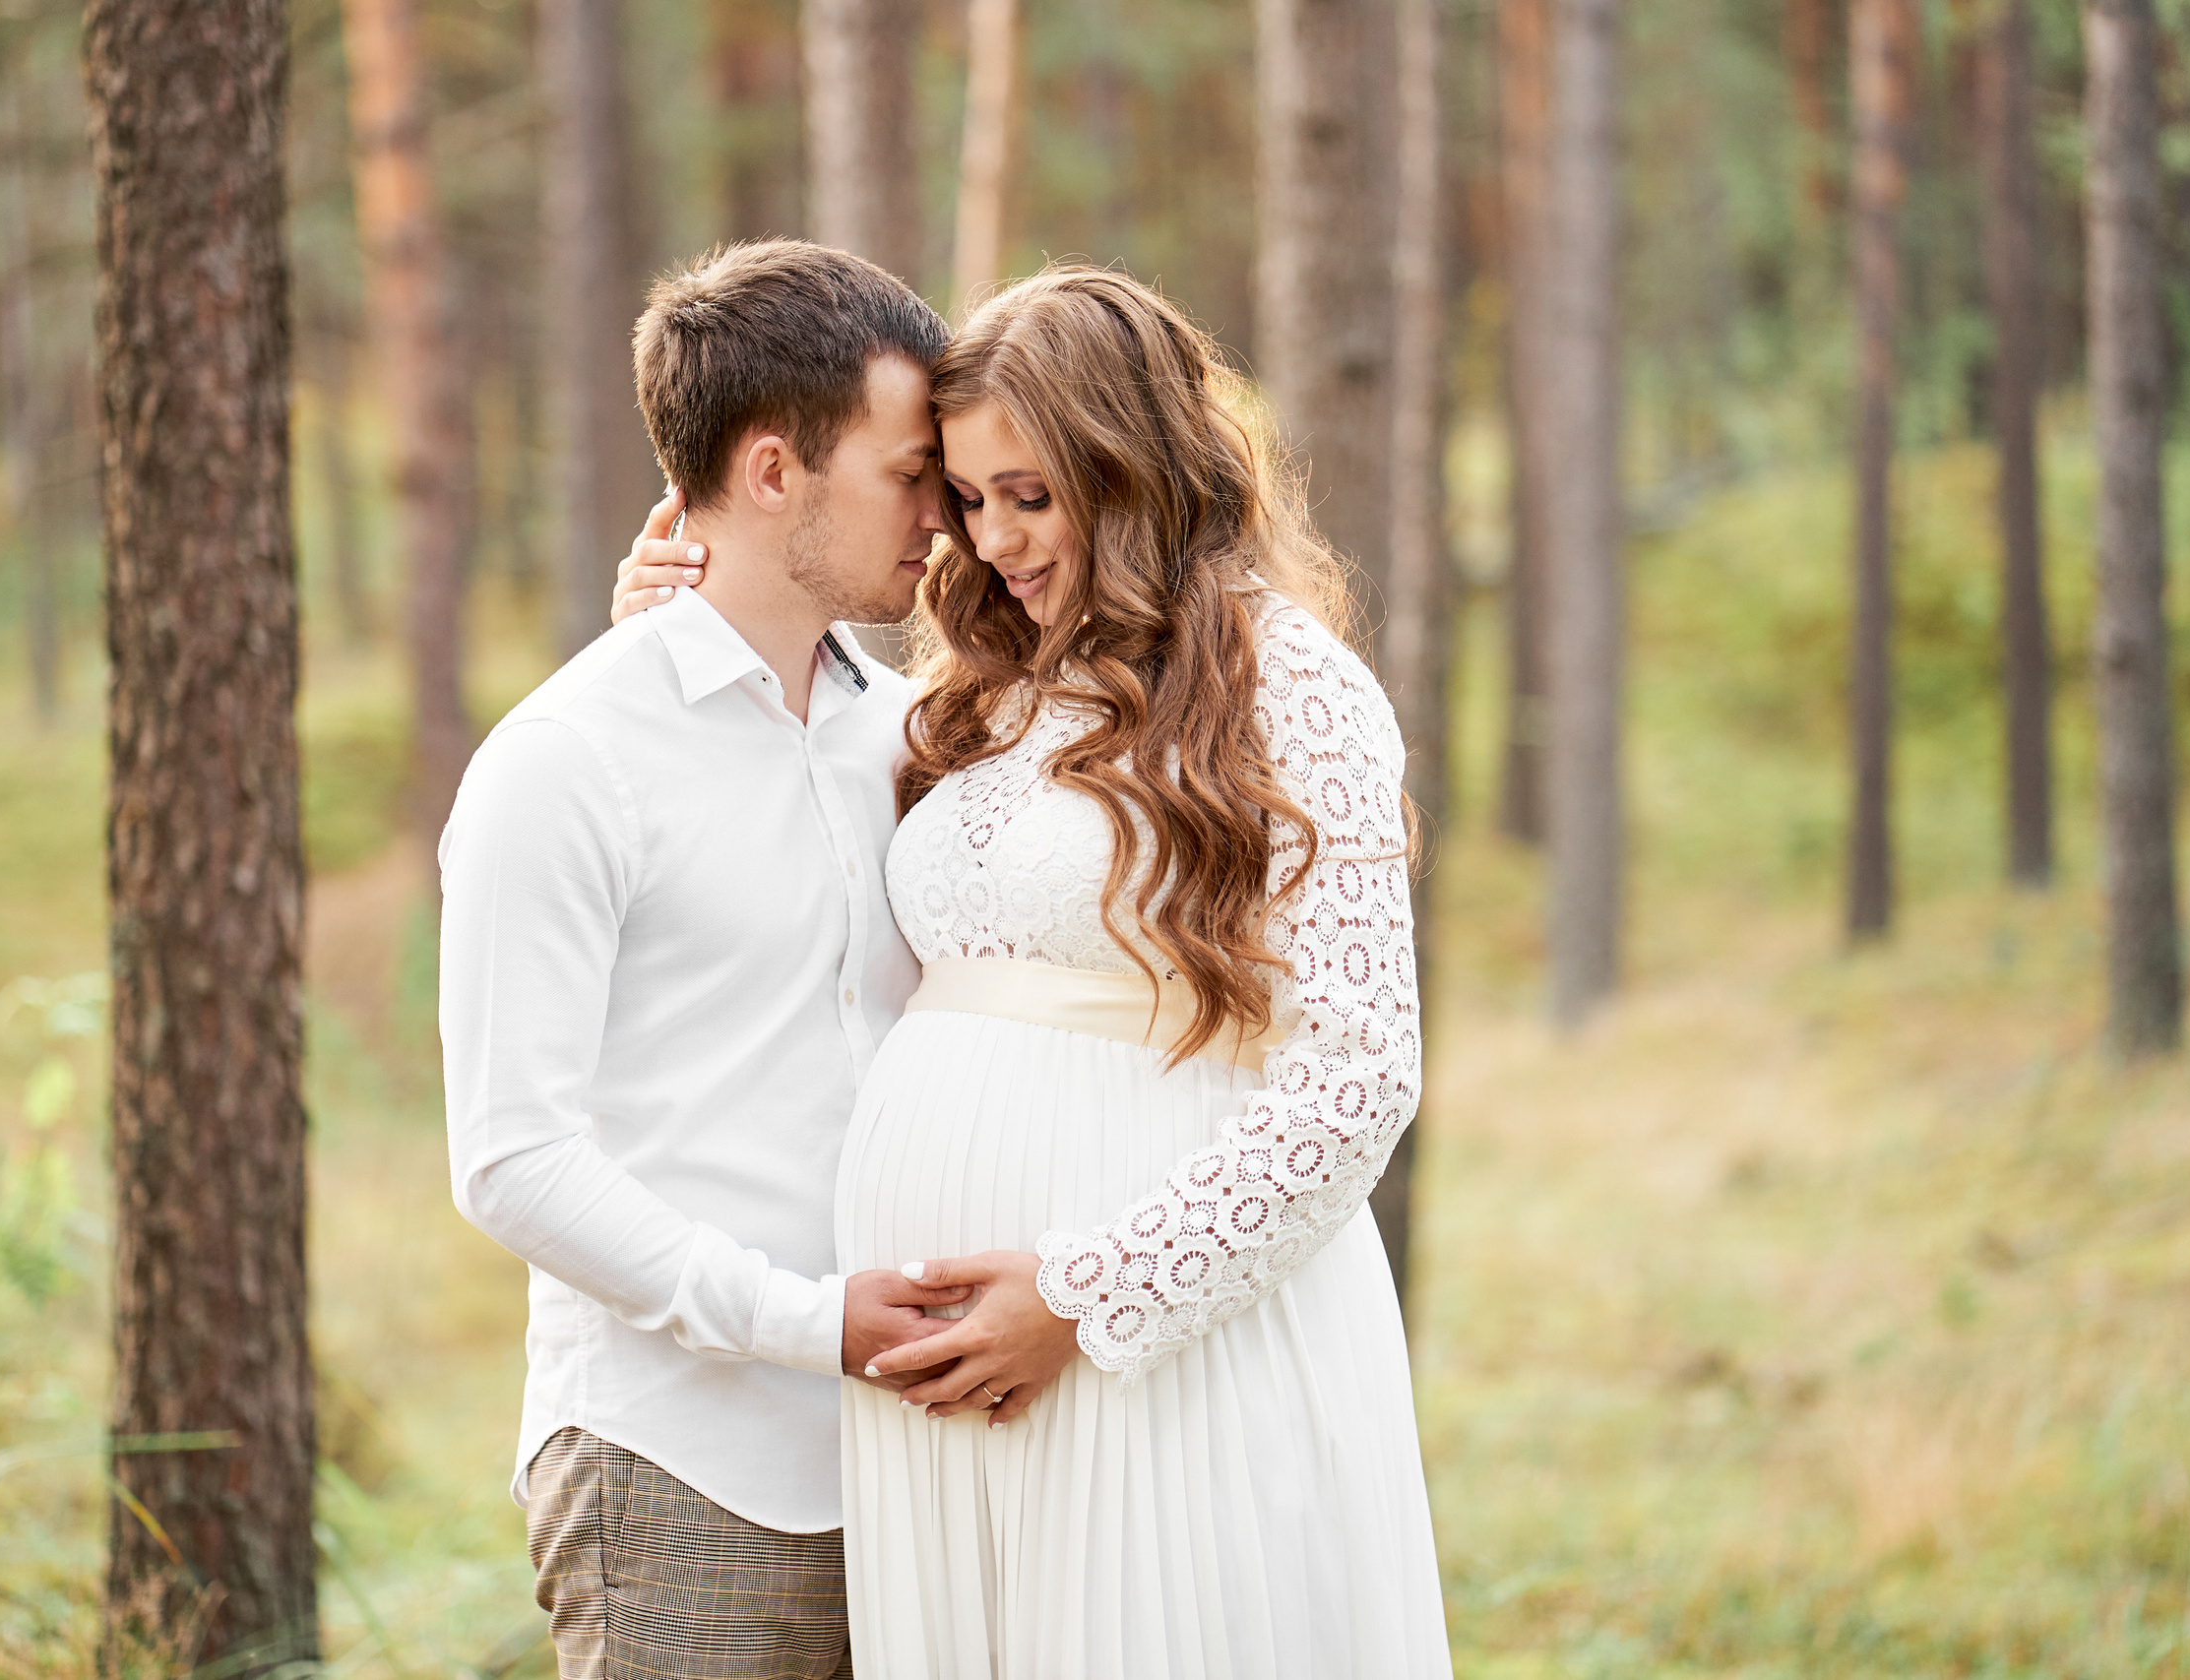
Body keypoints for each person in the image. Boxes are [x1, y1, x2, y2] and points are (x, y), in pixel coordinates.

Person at [614, 267, 1450, 1678]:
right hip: (946, 1377)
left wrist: (1085, 1294)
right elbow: (784, 775)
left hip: (1159, 1345)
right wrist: (679, 626)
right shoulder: (978, 691)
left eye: (1031, 496)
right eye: (966, 496)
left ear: (1131, 468)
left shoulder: (1293, 687)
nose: (990, 539)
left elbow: (1361, 1077)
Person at [439, 238, 980, 1680]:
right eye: (907, 471)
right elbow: (510, 1159)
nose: (947, 515)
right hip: (685, 1469)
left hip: (920, 1467)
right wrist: (811, 1325)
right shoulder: (567, 764)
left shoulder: (911, 735)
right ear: (769, 473)